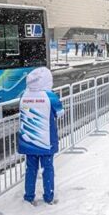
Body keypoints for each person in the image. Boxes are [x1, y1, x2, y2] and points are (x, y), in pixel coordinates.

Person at [18, 67, 64, 206]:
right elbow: (60, 112)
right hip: (45, 140)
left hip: (28, 140)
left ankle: (29, 196)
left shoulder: (24, 95)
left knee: (31, 169)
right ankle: (48, 196)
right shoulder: (50, 96)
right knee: (47, 168)